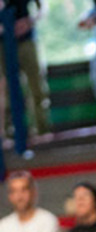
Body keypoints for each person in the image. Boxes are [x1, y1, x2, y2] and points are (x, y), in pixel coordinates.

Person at [0, 0, 50, 135]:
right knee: (8, 90)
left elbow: (43, 6)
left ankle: (41, 130)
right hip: (4, 45)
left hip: (26, 41)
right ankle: (10, 133)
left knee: (36, 87)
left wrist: (30, 21)